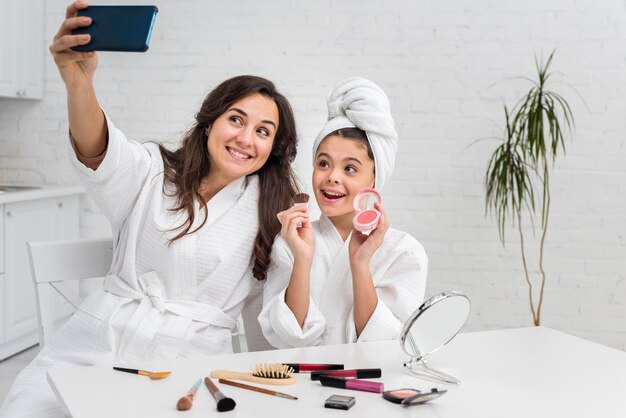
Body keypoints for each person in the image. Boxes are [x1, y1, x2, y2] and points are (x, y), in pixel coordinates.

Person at [0, 1, 298, 416]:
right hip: (93, 346)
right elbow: (98, 152)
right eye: (236, 119)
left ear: (272, 149)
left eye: (263, 131)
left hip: (187, 368)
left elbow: (271, 320)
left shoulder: (272, 214)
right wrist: (78, 83)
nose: (247, 138)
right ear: (210, 122)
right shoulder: (153, 172)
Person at [258, 77, 428, 348]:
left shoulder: (404, 251)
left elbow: (386, 344)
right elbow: (288, 337)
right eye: (323, 163)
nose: (332, 177)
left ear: (374, 180)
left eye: (350, 168)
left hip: (372, 383)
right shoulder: (293, 241)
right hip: (299, 381)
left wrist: (360, 264)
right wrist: (302, 259)